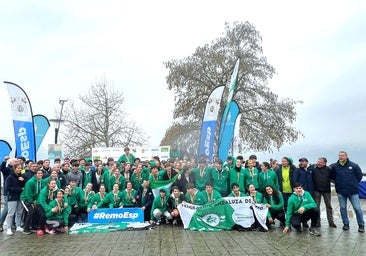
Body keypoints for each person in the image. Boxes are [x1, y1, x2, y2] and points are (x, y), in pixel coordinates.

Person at [330, 151, 364, 232]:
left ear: (346, 156)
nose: (340, 157)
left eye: (342, 155)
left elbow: (359, 176)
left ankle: (361, 225)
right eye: (339, 155)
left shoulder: (354, 165)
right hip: (341, 191)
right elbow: (332, 176)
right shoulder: (335, 166)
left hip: (353, 191)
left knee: (357, 208)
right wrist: (338, 183)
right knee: (343, 208)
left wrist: (353, 183)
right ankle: (346, 224)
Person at [312, 157, 337, 228]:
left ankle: (331, 222)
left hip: (326, 191)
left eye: (320, 162)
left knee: (329, 206)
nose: (318, 163)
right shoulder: (314, 169)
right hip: (317, 190)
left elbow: (333, 179)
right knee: (316, 207)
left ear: (324, 163)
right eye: (318, 161)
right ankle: (317, 222)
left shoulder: (329, 169)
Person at [20, 169, 45, 234]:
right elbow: (28, 193)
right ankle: (25, 229)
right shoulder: (30, 182)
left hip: (33, 200)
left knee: (36, 211)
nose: (40, 174)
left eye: (41, 173)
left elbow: (38, 193)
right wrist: (31, 202)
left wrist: (35, 201)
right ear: (35, 174)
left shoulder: (40, 181)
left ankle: (33, 227)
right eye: (38, 173)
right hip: (25, 199)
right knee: (30, 212)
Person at [4, 163, 25, 235]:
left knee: (19, 212)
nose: (19, 169)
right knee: (11, 213)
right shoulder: (10, 177)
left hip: (20, 197)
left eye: (20, 168)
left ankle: (18, 226)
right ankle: (8, 228)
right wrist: (20, 189)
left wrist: (22, 181)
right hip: (12, 197)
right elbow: (8, 188)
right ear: (14, 169)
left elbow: (24, 187)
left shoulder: (21, 177)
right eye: (18, 168)